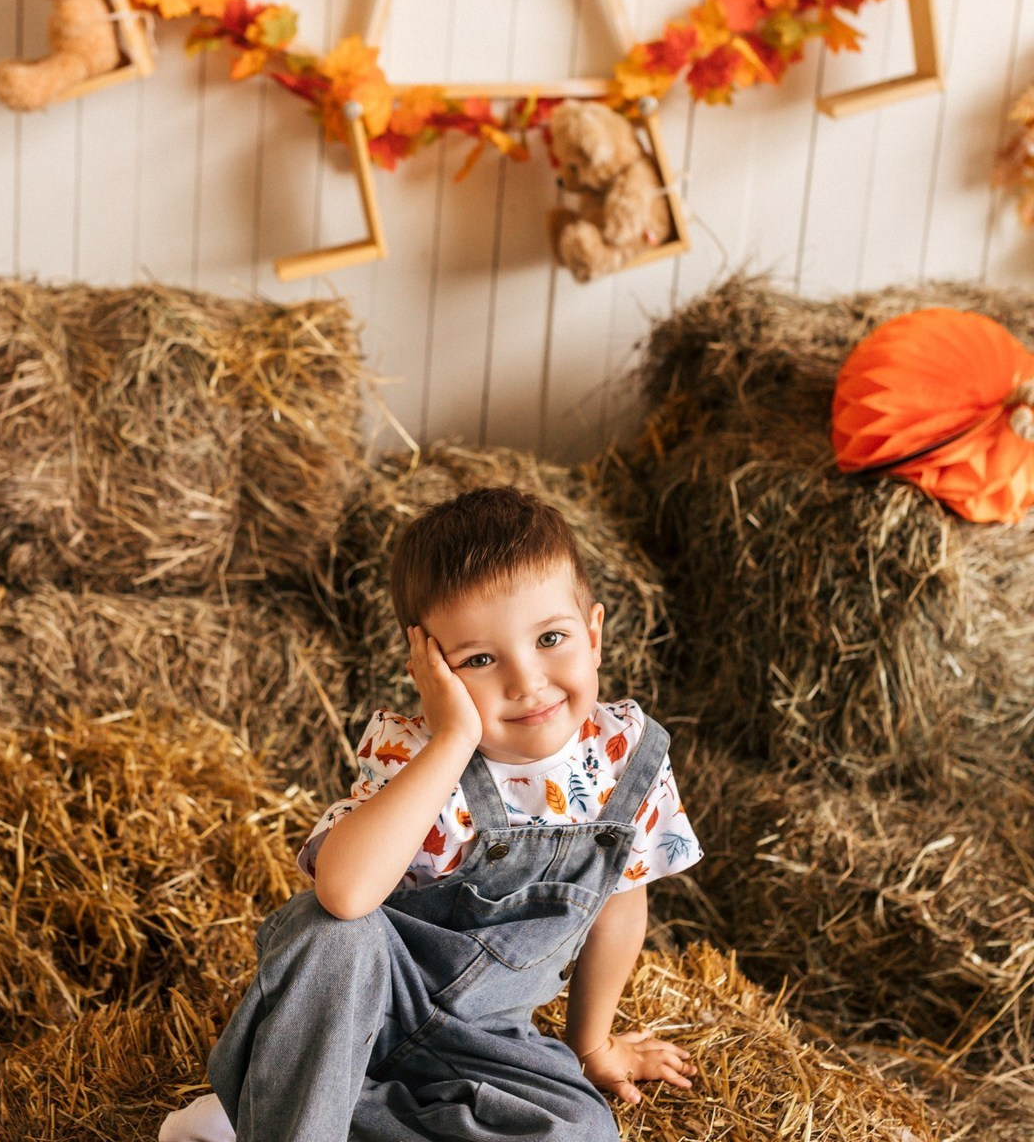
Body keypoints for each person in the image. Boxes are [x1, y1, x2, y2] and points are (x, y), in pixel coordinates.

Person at [161, 486, 701, 1142]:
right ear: (430, 669)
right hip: (358, 1015)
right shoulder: (413, 749)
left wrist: (592, 1048)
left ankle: (276, 1116)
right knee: (327, 931)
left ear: (593, 634)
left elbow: (621, 902)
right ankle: (297, 1108)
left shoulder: (627, 756)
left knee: (581, 1131)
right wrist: (452, 739)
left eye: (551, 638)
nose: (526, 680)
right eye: (479, 659)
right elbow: (344, 892)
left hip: (489, 1041)